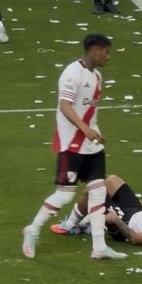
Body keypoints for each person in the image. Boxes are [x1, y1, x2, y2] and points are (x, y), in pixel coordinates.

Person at [22, 34, 127, 262]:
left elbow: (88, 110)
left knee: (98, 191)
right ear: (94, 50)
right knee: (64, 196)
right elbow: (65, 106)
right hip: (71, 145)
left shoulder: (97, 76)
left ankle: (99, 247)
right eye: (105, 52)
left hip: (92, 145)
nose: (107, 56)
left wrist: (94, 131)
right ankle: (32, 229)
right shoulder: (72, 73)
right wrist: (85, 129)